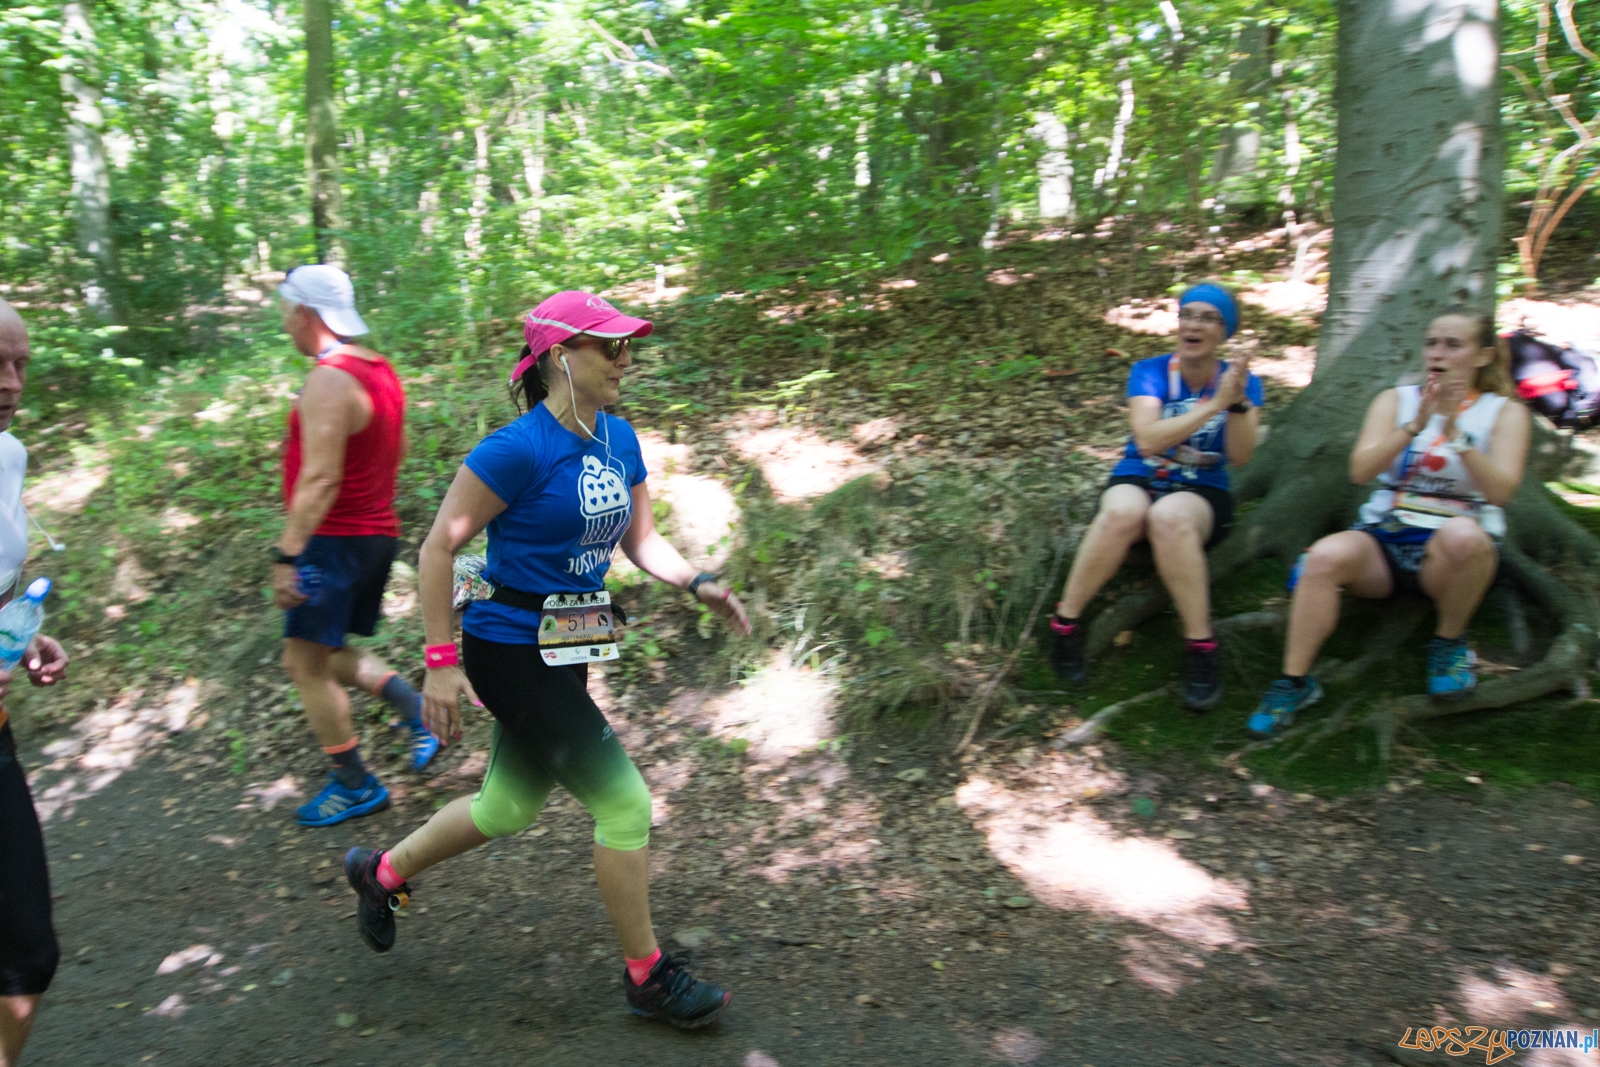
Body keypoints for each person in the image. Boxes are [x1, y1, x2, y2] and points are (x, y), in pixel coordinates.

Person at [342, 291, 750, 1029]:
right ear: (562, 356)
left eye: (629, 347)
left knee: (507, 806)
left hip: (568, 644)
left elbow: (640, 541)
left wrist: (698, 580)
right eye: (612, 348)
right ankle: (647, 976)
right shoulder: (516, 449)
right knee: (624, 803)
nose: (628, 360)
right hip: (506, 647)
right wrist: (439, 661)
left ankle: (382, 871)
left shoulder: (620, 439)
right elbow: (439, 547)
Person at [1247, 307, 1530, 737]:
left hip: (1456, 553)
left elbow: (1501, 493)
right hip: (1389, 539)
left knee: (1461, 536)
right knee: (1323, 557)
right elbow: (1360, 472)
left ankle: (1448, 644)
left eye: (1453, 345)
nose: (1438, 353)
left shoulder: (1503, 413)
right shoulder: (1396, 400)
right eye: (1432, 342)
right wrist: (1415, 425)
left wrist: (1457, 434)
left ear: (1483, 356)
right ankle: (1292, 683)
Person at [273, 265, 436, 828]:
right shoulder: (379, 370)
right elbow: (400, 448)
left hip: (332, 543)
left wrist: (288, 554)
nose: (286, 324)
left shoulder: (328, 378)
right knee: (323, 651)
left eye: (287, 312)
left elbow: (320, 479)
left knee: (303, 663)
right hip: (374, 534)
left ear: (306, 313)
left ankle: (354, 784)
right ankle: (415, 709)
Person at [1049, 282, 1262, 709]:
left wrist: (1234, 404)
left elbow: (1239, 456)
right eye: (1188, 314)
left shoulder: (1243, 384)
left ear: (1224, 333)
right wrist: (1214, 404)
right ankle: (1064, 624)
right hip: (1140, 474)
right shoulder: (1149, 371)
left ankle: (1202, 647)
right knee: (1120, 514)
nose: (1194, 325)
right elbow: (1146, 440)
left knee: (1170, 517)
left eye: (1209, 318)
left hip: (1202, 490)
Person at [0, 300, 72, 1067]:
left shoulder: (8, 455)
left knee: (27, 955)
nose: (11, 381)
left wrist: (23, 634)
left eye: (21, 364)